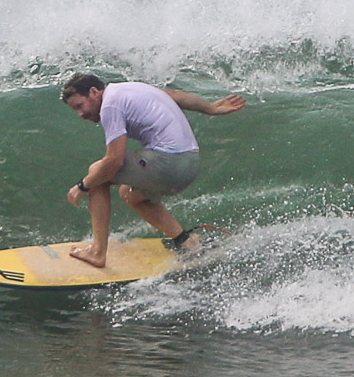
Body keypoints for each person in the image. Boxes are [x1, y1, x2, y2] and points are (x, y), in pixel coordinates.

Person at [60, 73, 246, 267]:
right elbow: (174, 94)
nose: (81, 115)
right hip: (189, 162)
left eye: (80, 106)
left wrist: (82, 186)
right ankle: (185, 241)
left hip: (168, 163)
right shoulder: (131, 88)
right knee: (130, 194)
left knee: (97, 172)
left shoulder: (110, 105)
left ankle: (98, 252)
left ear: (94, 92)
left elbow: (113, 161)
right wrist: (211, 108)